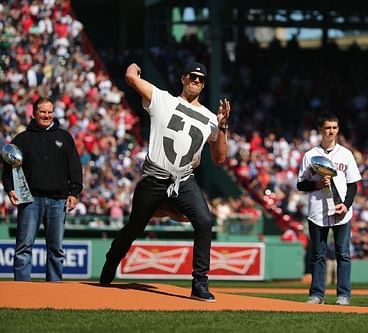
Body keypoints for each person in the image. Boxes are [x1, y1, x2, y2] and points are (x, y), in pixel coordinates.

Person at [99, 61, 230, 303]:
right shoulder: (162, 99)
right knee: (135, 226)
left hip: (183, 179)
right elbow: (130, 78)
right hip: (154, 178)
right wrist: (134, 67)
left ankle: (200, 283)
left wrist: (222, 128)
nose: (197, 81)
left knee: (204, 220)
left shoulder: (211, 118)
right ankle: (112, 260)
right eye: (193, 76)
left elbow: (220, 158)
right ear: (183, 78)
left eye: (202, 79)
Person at [1, 97, 83, 281]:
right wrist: (10, 189)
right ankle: (22, 291)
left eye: (49, 112)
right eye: (42, 112)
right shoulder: (22, 138)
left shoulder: (64, 137)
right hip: (30, 199)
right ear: (34, 113)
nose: (46, 115)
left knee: (56, 249)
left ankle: (53, 292)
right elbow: (8, 166)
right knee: (24, 247)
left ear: (53, 113)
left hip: (58, 200)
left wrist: (74, 192)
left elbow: (75, 168)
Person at [297, 114, 361, 305]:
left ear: (338, 129)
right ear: (321, 130)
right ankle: (317, 294)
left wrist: (346, 205)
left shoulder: (346, 154)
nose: (331, 131)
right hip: (317, 210)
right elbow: (301, 185)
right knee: (318, 254)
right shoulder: (310, 155)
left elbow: (353, 185)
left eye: (334, 127)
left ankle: (343, 294)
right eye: (327, 128)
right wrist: (316, 184)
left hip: (341, 210)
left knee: (343, 254)